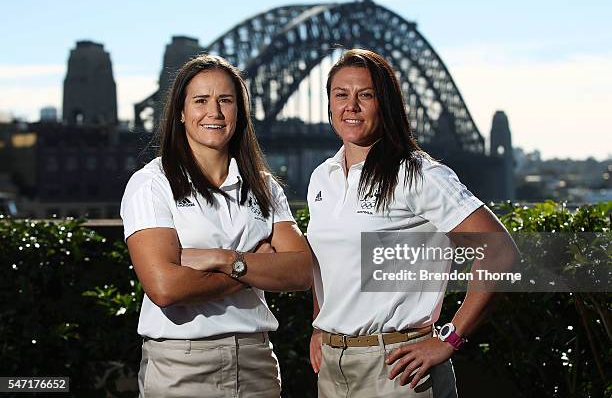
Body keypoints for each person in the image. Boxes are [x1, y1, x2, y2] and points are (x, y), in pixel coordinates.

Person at [306, 49, 516, 397]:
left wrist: (449, 338)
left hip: (398, 369)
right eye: (341, 95)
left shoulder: (416, 173)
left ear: (385, 104)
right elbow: (325, 262)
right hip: (332, 367)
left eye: (366, 95)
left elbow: (500, 252)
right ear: (330, 103)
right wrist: (320, 326)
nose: (351, 106)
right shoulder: (321, 178)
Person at [120, 54, 312, 398]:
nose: (215, 112)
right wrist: (256, 266)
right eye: (200, 101)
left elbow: (301, 271)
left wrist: (223, 259)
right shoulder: (151, 184)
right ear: (180, 112)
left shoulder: (264, 187)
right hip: (182, 365)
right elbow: (165, 288)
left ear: (240, 112)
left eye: (226, 100)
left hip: (257, 361)